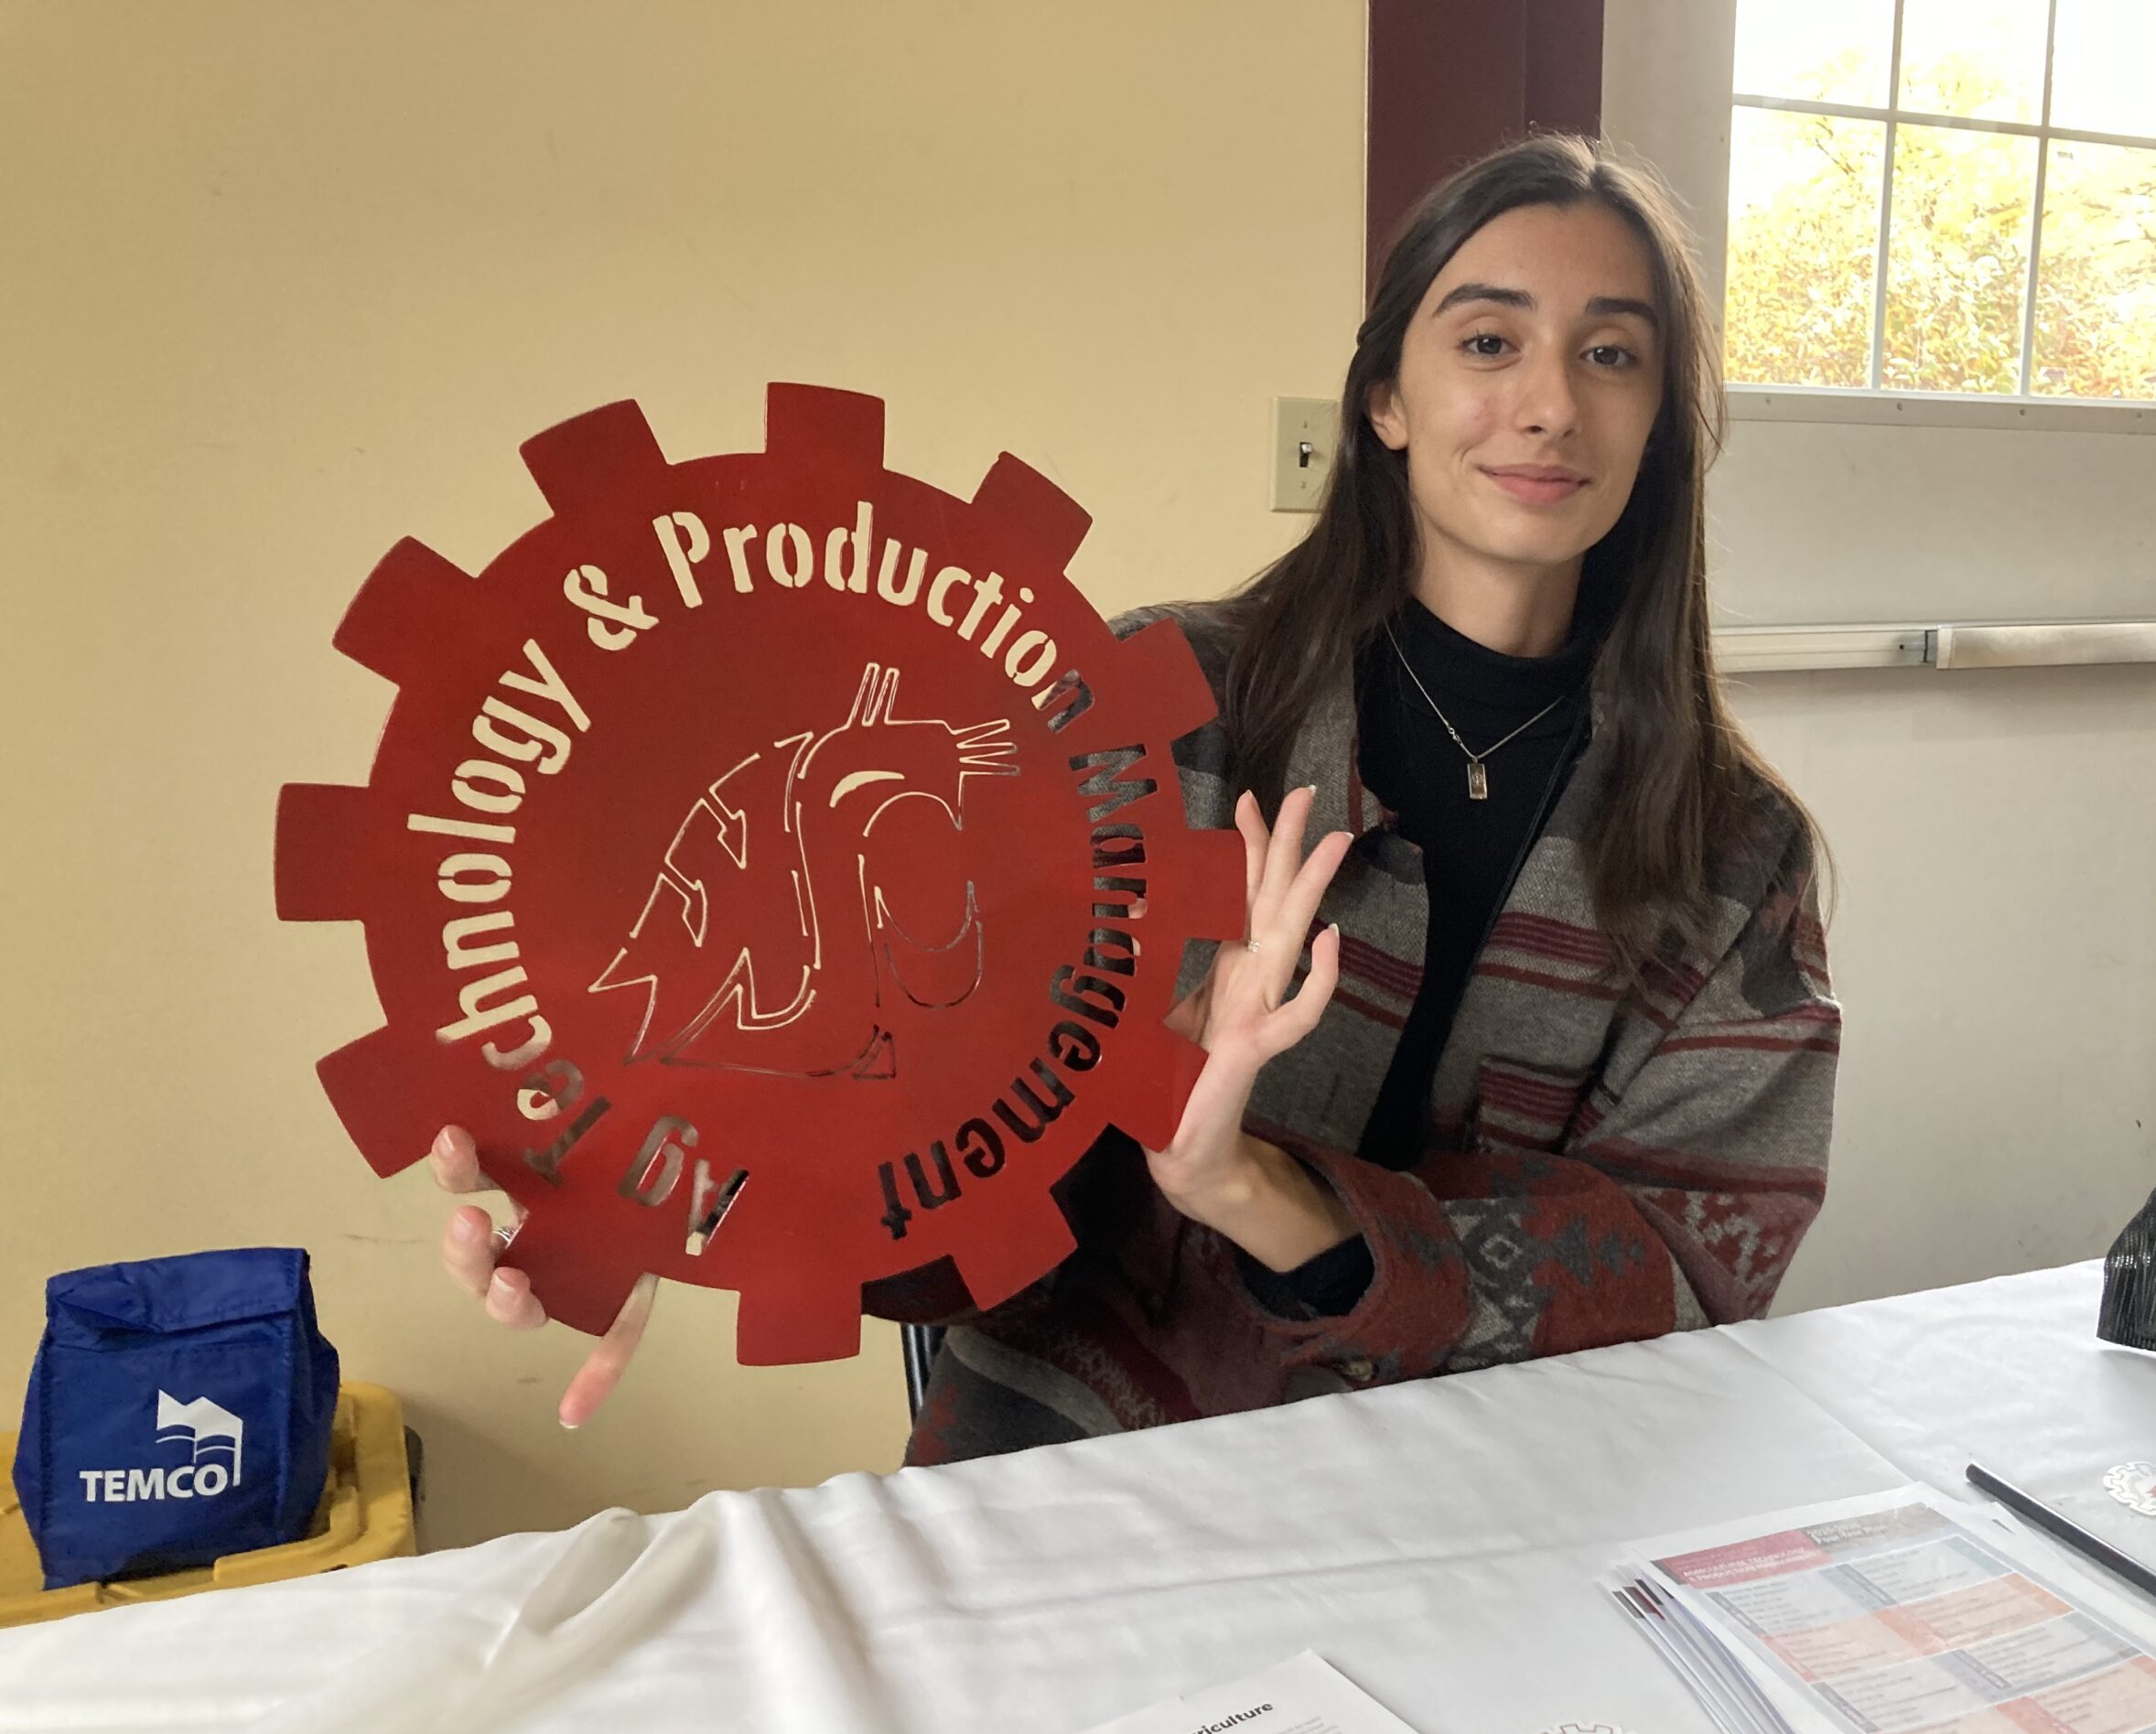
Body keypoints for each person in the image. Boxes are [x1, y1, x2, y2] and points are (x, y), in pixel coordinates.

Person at [433, 133, 1839, 1465]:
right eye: (1488, 341)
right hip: (1070, 1486)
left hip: (1485, 1522)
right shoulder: (1149, 705)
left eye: (1612, 355)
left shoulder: (1731, 848)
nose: (1547, 403)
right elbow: (921, 1117)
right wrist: (698, 1200)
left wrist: (1262, 1194)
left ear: (1663, 422)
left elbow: (1698, 1265)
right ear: (1385, 400)